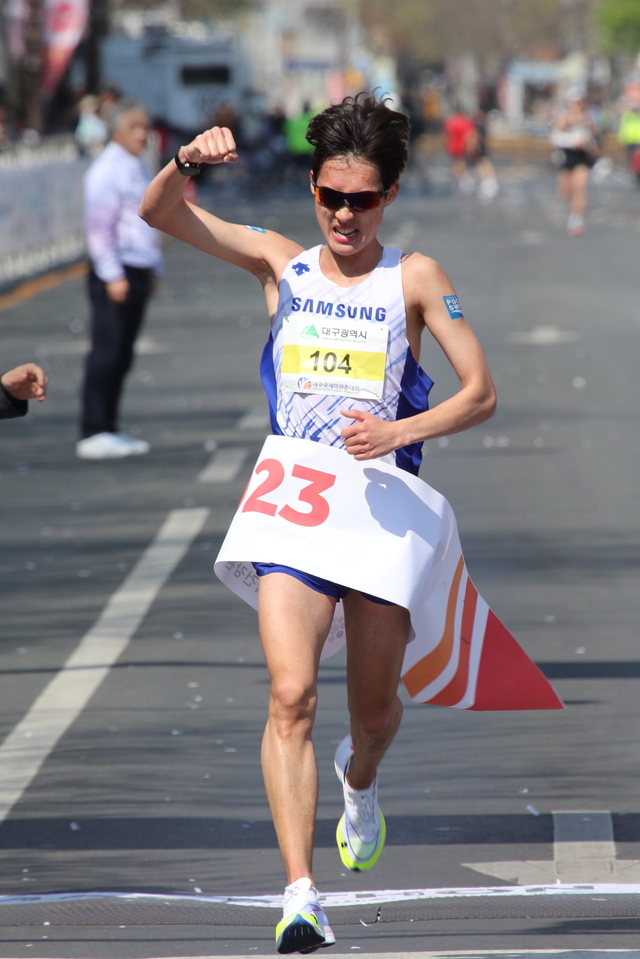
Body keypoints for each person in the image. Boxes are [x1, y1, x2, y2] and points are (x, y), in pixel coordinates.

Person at [139, 93, 496, 954]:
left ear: (390, 198)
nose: (343, 215)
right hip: (294, 510)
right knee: (290, 695)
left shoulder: (415, 277)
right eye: (330, 197)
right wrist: (188, 161)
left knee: (372, 710)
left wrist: (399, 431)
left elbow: (480, 392)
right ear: (311, 190)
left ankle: (360, 775)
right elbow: (157, 213)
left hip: (378, 516)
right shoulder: (278, 264)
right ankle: (301, 894)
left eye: (362, 200)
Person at [77, 97, 163, 460]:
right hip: (117, 271)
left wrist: (155, 268)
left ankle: (109, 427)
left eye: (145, 127)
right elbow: (99, 229)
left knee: (123, 355)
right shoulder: (106, 170)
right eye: (134, 127)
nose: (142, 135)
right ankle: (93, 429)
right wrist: (112, 274)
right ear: (115, 130)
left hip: (138, 268)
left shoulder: (138, 166)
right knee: (107, 353)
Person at [550, 93, 598, 236]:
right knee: (565, 192)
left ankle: (576, 220)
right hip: (566, 156)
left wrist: (588, 143)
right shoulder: (564, 118)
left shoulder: (587, 119)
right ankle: (573, 211)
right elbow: (555, 138)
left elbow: (594, 137)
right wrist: (571, 141)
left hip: (581, 157)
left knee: (580, 187)